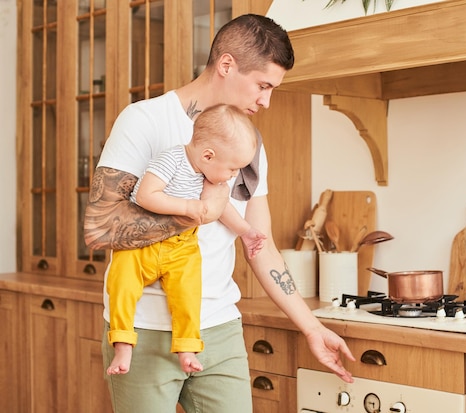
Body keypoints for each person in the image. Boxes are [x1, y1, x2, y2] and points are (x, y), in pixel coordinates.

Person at [84, 13, 355, 413]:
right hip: (143, 331)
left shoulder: (248, 144)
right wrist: (201, 210)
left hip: (220, 329)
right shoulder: (145, 120)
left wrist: (311, 327)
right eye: (263, 85)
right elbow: (101, 227)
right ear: (226, 65)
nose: (266, 101)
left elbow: (258, 245)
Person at [105, 104, 266, 376]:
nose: (232, 176)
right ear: (208, 155)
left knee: (189, 293)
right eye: (232, 169)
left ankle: (187, 347)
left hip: (181, 247)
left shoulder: (208, 173)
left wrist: (246, 231)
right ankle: (122, 343)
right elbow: (146, 195)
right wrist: (187, 207)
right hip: (142, 244)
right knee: (121, 283)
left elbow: (223, 207)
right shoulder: (171, 160)